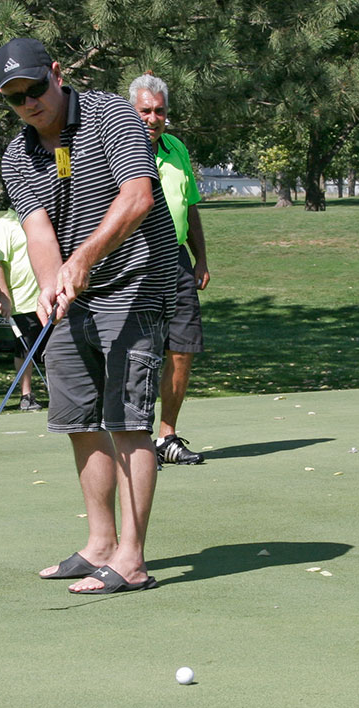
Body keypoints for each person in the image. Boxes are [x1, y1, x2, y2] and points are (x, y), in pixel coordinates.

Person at [0, 38, 178, 592]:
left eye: (34, 88)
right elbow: (37, 229)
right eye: (14, 97)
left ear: (56, 73)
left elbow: (138, 198)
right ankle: (100, 542)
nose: (28, 103)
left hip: (137, 279)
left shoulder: (111, 115)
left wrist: (82, 260)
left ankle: (131, 558)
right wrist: (51, 285)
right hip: (76, 290)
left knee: (127, 419)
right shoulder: (16, 154)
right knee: (78, 417)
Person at [129, 73, 210, 466]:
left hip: (175, 259)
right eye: (145, 110)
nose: (152, 118)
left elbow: (190, 206)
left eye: (159, 111)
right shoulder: (118, 148)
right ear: (132, 110)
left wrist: (201, 259)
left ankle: (167, 436)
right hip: (132, 260)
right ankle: (136, 438)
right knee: (137, 351)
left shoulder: (176, 148)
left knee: (182, 348)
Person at [0, 210, 45, 411]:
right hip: (22, 300)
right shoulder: (4, 225)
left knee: (56, 348)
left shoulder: (43, 218)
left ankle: (60, 392)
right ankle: (26, 395)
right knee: (24, 349)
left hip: (48, 296)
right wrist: (4, 296)